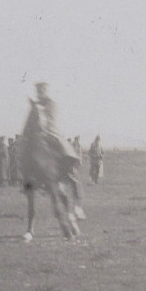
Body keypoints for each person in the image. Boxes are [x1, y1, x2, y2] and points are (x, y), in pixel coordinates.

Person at [32, 82, 85, 216]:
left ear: (46, 91)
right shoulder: (35, 105)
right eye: (38, 90)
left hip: (52, 134)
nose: (40, 92)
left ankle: (78, 203)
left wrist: (44, 130)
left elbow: (50, 121)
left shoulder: (52, 104)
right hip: (38, 136)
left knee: (69, 159)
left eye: (42, 90)